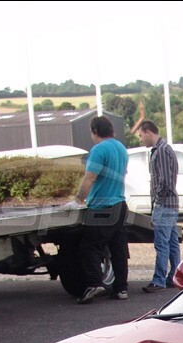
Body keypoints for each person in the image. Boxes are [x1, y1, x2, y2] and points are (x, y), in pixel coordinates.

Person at [72, 115, 130, 304]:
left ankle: (94, 283)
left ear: (95, 131)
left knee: (89, 247)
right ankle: (121, 288)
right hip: (120, 204)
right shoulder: (121, 148)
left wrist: (78, 199)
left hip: (102, 207)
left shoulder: (98, 150)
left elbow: (90, 177)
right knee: (118, 248)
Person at [137, 119, 180, 293]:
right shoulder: (165, 149)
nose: (140, 139)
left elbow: (165, 180)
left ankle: (159, 280)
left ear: (148, 132)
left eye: (141, 135)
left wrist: (158, 199)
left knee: (162, 243)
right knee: (171, 242)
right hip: (171, 203)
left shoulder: (161, 151)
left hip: (164, 204)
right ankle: (174, 276)